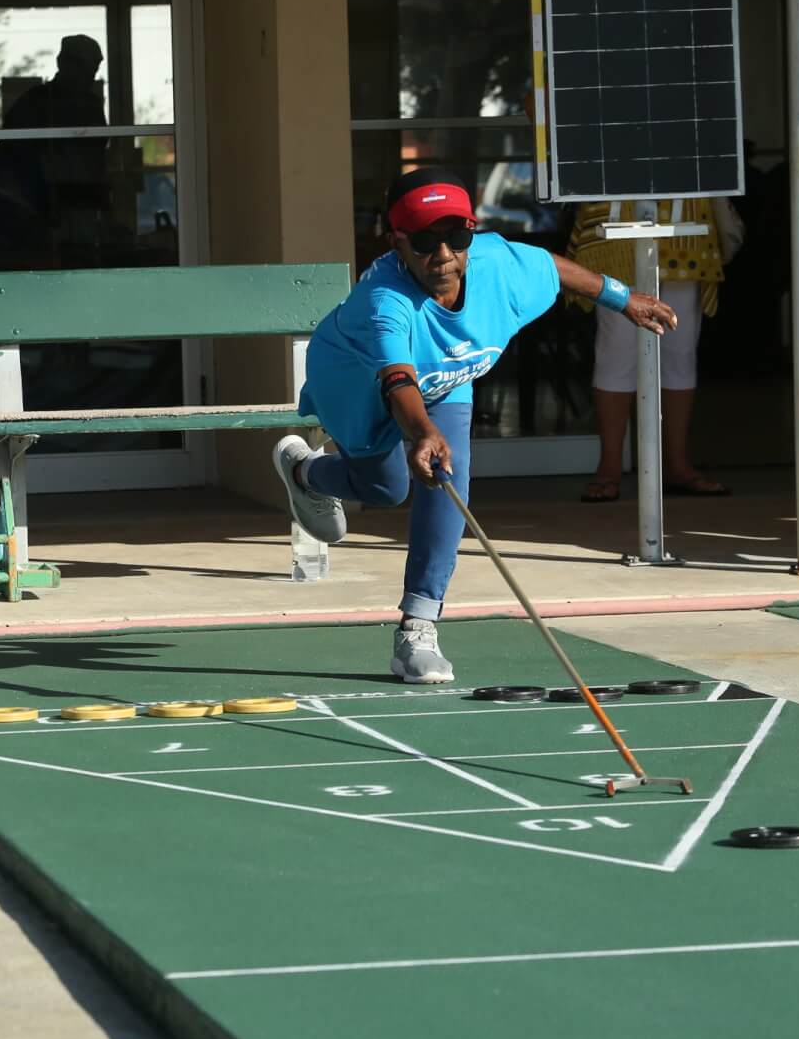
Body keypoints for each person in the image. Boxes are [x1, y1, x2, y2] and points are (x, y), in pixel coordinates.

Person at [272, 168, 679, 682]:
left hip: (447, 382)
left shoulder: (495, 263)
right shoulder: (385, 302)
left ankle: (417, 627)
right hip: (354, 383)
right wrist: (422, 431)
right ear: (397, 242)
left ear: (472, 232)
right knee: (385, 487)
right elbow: (397, 378)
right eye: (423, 241)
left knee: (446, 478)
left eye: (456, 237)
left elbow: (548, 267)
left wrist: (624, 299)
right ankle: (308, 474)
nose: (442, 255)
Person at [564, 196, 742, 502]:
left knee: (679, 352)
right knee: (616, 351)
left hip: (685, 223)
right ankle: (609, 467)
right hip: (618, 220)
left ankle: (676, 465)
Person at [0, 34, 109, 223]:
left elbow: (97, 161)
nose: (88, 78)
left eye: (92, 72)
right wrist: (21, 211)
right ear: (63, 63)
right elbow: (6, 162)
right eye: (84, 69)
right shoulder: (34, 104)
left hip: (83, 210)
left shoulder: (91, 107)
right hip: (38, 209)